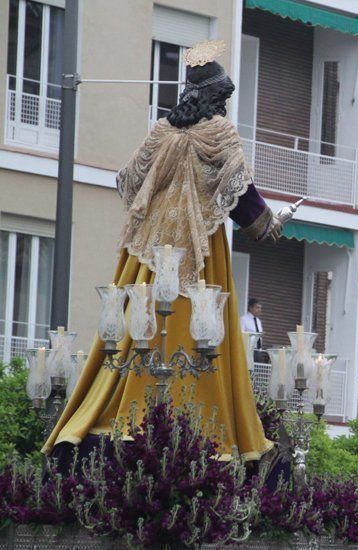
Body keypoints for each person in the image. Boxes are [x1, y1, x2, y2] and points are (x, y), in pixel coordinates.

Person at [43, 41, 284, 462]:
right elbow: (242, 193)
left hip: (149, 255)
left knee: (136, 330)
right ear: (215, 97)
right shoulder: (220, 132)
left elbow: (127, 180)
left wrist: (166, 195)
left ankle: (120, 411)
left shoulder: (160, 131)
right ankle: (201, 425)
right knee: (197, 334)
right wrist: (268, 225)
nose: (225, 105)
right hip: (199, 250)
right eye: (224, 97)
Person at [240, 298, 268, 362]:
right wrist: (256, 334)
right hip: (247, 351)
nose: (259, 310)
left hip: (258, 351)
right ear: (250, 308)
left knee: (256, 370)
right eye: (257, 308)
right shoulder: (244, 319)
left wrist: (260, 335)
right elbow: (241, 335)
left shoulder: (258, 321)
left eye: (260, 308)